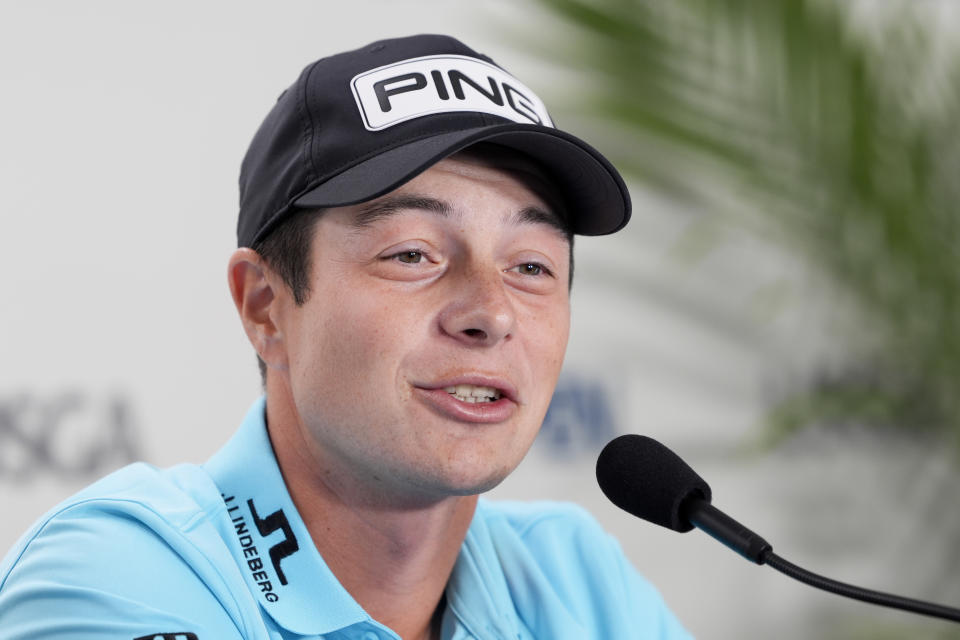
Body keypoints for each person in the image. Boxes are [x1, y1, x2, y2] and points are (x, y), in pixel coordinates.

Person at [0, 34, 691, 639]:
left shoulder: (575, 579)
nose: (491, 311)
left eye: (531, 266)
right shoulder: (123, 571)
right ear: (266, 307)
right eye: (414, 254)